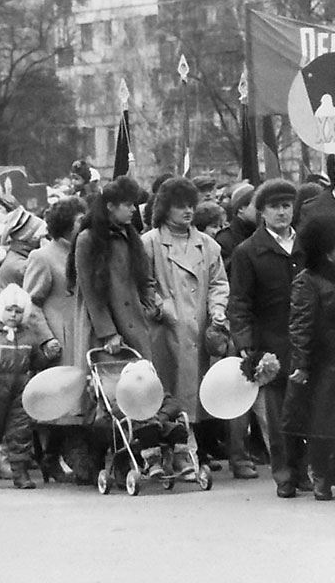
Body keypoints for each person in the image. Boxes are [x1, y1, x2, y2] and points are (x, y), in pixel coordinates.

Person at [142, 177, 230, 480]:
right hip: (161, 332)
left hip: (197, 331)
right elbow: (142, 284)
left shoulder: (209, 245)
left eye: (191, 205)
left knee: (188, 395)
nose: (188, 211)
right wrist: (160, 307)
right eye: (180, 206)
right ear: (165, 209)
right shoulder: (149, 243)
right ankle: (153, 453)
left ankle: (183, 453)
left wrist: (217, 310)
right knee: (159, 393)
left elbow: (219, 283)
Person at [228, 179, 307, 497]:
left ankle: (304, 471)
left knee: (306, 409)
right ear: (261, 212)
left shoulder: (305, 245)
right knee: (277, 416)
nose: (282, 213)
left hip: (306, 340)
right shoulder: (248, 251)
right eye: (274, 207)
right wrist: (246, 344)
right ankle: (285, 474)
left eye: (287, 206)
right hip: (270, 342)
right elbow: (240, 301)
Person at [285, 214, 335, 501]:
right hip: (324, 360)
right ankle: (321, 475)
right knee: (323, 423)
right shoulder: (307, 281)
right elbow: (301, 324)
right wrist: (302, 363)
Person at [0, 284, 59, 489]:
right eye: (9, 310)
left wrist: (46, 356)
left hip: (20, 388)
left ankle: (20, 472)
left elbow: (35, 361)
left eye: (18, 311)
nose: (13, 315)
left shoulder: (29, 335)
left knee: (20, 431)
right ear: (1, 310)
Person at [23, 195, 86, 481]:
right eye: (78, 220)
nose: (84, 224)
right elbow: (31, 303)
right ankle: (51, 458)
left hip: (84, 334)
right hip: (60, 337)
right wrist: (46, 338)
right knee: (62, 401)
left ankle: (74, 458)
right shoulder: (43, 257)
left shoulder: (85, 250)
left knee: (81, 401)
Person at [68, 175, 159, 366]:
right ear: (110, 206)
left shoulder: (131, 235)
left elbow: (145, 277)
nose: (134, 209)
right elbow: (89, 291)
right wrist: (108, 333)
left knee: (139, 383)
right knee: (106, 388)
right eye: (128, 205)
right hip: (101, 329)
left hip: (135, 320)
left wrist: (149, 308)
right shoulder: (87, 239)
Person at [0, 206, 48, 300]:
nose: (45, 240)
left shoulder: (17, 256)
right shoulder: (20, 266)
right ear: (32, 238)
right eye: (42, 237)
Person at [215, 183, 256, 272]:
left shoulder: (266, 234)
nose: (261, 210)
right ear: (241, 208)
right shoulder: (224, 240)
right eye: (256, 206)